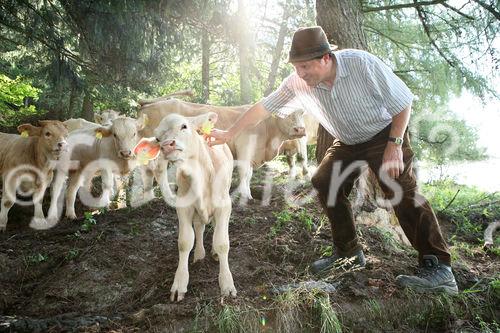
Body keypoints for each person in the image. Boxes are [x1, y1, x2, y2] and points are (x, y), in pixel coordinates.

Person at [209, 26, 458, 294]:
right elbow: (262, 108)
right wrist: (229, 133)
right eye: (296, 68)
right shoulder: (297, 83)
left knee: (399, 188)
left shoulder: (362, 64)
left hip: (384, 134)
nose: (300, 74)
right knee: (324, 180)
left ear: (326, 58)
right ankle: (348, 252)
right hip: (348, 141)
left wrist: (395, 145)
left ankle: (439, 267)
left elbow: (403, 102)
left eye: (304, 67)